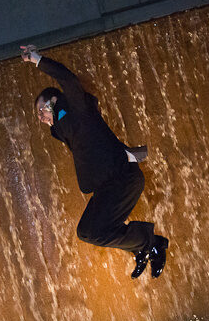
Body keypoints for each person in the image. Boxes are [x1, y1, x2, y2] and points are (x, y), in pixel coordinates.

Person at [20, 44, 168, 279]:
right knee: (87, 231)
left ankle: (153, 243)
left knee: (94, 230)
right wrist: (52, 119)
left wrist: (37, 59)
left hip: (122, 178)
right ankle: (141, 246)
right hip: (107, 185)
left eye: (41, 111)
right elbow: (69, 130)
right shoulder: (65, 127)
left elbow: (67, 78)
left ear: (54, 101)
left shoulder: (77, 107)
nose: (40, 118)